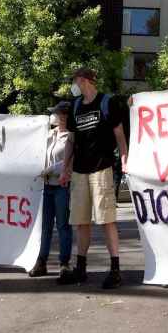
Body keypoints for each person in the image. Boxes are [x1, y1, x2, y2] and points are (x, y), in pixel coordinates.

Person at [59, 67, 128, 289]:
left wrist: (124, 159)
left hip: (102, 169)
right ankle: (81, 269)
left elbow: (119, 134)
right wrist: (65, 168)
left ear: (84, 80)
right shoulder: (75, 106)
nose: (73, 85)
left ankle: (115, 270)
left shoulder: (107, 102)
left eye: (75, 81)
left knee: (107, 219)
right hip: (80, 171)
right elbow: (71, 140)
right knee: (81, 222)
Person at [29, 101, 74, 281]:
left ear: (64, 116)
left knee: (63, 225)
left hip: (62, 186)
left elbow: (70, 162)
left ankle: (64, 263)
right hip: (46, 186)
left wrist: (52, 169)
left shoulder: (72, 136)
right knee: (45, 227)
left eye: (55, 113)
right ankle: (41, 261)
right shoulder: (48, 134)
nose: (53, 116)